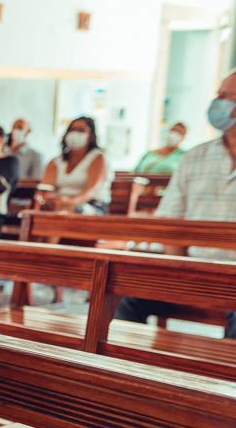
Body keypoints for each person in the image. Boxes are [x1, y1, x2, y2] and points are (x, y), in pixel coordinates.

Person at [115, 73, 236, 339]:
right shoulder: (195, 158)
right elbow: (171, 223)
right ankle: (124, 373)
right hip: (194, 268)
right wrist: (182, 271)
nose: (216, 103)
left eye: (224, 96)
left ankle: (223, 377)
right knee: (127, 297)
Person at [38, 116, 110, 214]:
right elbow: (46, 190)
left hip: (91, 205)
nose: (75, 133)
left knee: (77, 211)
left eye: (81, 130)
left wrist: (71, 203)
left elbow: (92, 190)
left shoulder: (98, 158)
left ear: (91, 136)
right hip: (60, 204)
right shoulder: (55, 162)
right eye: (72, 129)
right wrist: (51, 201)